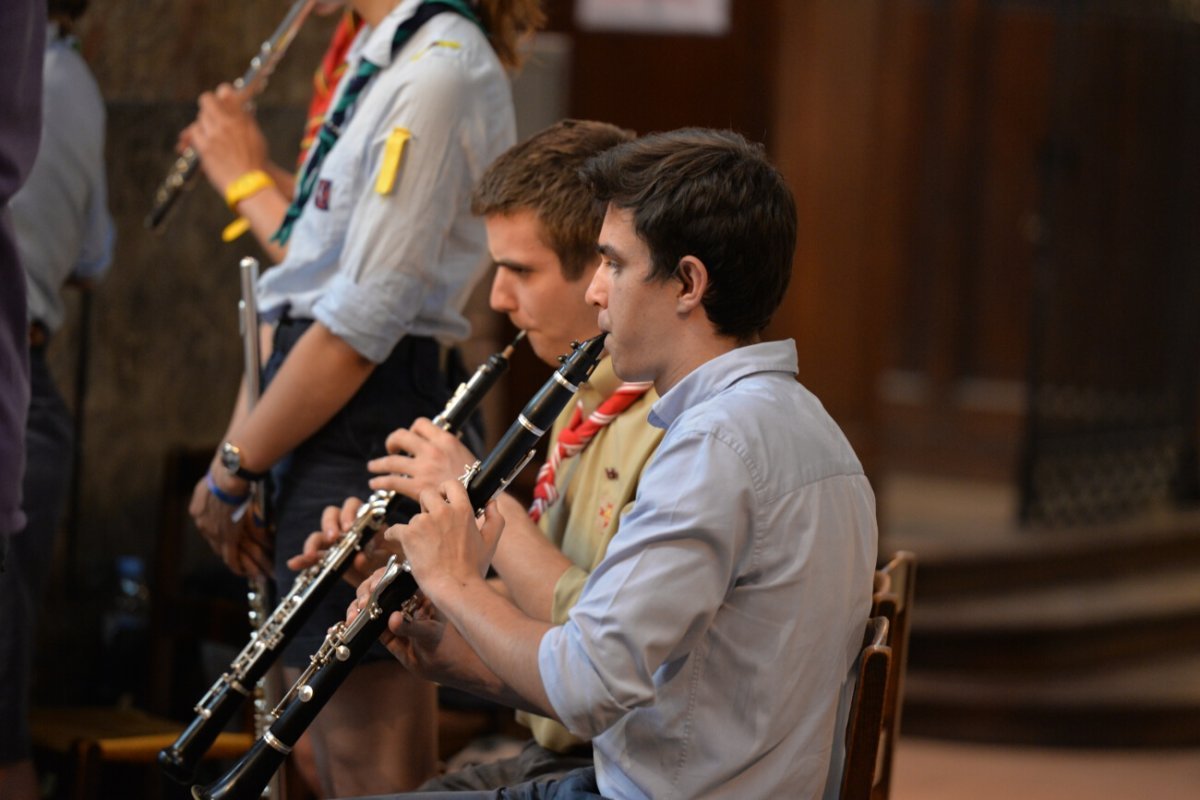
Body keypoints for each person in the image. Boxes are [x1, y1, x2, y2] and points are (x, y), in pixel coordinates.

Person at [355, 128, 880, 799]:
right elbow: (654, 689)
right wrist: (458, 662)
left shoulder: (714, 447)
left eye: (614, 264)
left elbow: (587, 690)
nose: (596, 292)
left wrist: (455, 581)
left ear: (688, 283)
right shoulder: (809, 425)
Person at [187, 0, 546, 795]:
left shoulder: (438, 68)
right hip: (325, 398)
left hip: (370, 407)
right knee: (317, 755)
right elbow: (315, 275)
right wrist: (243, 448)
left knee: (364, 766)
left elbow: (363, 320)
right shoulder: (383, 55)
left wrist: (235, 465)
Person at [293, 119, 662, 789]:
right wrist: (419, 571)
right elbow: (549, 608)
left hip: (619, 768)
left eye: (520, 270)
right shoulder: (578, 400)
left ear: (599, 273)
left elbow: (597, 636)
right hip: (568, 750)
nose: (496, 298)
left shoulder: (666, 422)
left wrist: (470, 486)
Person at [0, 2, 113, 799]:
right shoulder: (72, 82)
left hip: (21, 392)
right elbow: (94, 255)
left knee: (4, 721)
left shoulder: (38, 75)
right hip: (30, 384)